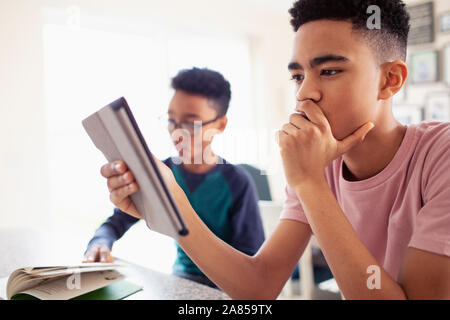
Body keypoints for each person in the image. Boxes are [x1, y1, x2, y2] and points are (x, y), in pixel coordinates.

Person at [99, 0, 450, 299]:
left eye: (328, 70)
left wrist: (309, 183)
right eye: (298, 76)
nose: (303, 94)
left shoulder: (441, 154)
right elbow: (260, 284)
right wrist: (172, 209)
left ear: (391, 79)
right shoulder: (319, 166)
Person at [84, 67, 265, 289]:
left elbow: (250, 260)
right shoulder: (163, 172)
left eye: (190, 123)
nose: (176, 133)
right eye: (171, 121)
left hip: (226, 288)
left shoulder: (238, 182)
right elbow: (115, 223)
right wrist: (100, 242)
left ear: (220, 125)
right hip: (180, 280)